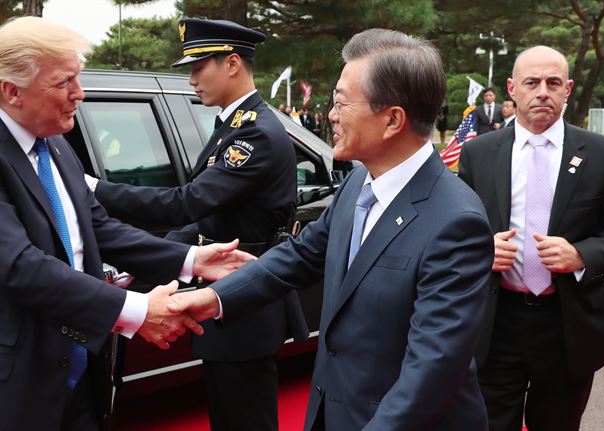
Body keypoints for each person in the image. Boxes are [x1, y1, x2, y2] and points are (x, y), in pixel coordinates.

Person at [169, 28, 495, 430]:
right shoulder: (358, 183)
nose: (331, 115)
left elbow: (432, 369)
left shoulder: (456, 222)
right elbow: (300, 256)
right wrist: (213, 298)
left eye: (341, 102)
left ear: (392, 119)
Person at [0, 16, 253, 431]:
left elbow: (96, 227)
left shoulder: (57, 145)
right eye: (64, 82)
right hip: (19, 379)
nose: (78, 95)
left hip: (82, 366)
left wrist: (191, 259)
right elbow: (19, 266)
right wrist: (136, 310)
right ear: (12, 92)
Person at [86, 18, 307, 431]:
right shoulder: (235, 124)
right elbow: (209, 219)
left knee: (245, 419)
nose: (191, 80)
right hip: (227, 291)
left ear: (232, 64)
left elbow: (185, 204)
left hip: (245, 296)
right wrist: (155, 258)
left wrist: (94, 188)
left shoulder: (255, 134)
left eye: (197, 67)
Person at [458, 46, 604, 431]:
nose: (543, 91)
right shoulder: (478, 154)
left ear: (568, 89)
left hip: (568, 325)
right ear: (512, 88)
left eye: (553, 82)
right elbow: (456, 231)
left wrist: (581, 254)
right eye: (532, 82)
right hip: (496, 322)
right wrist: (481, 249)